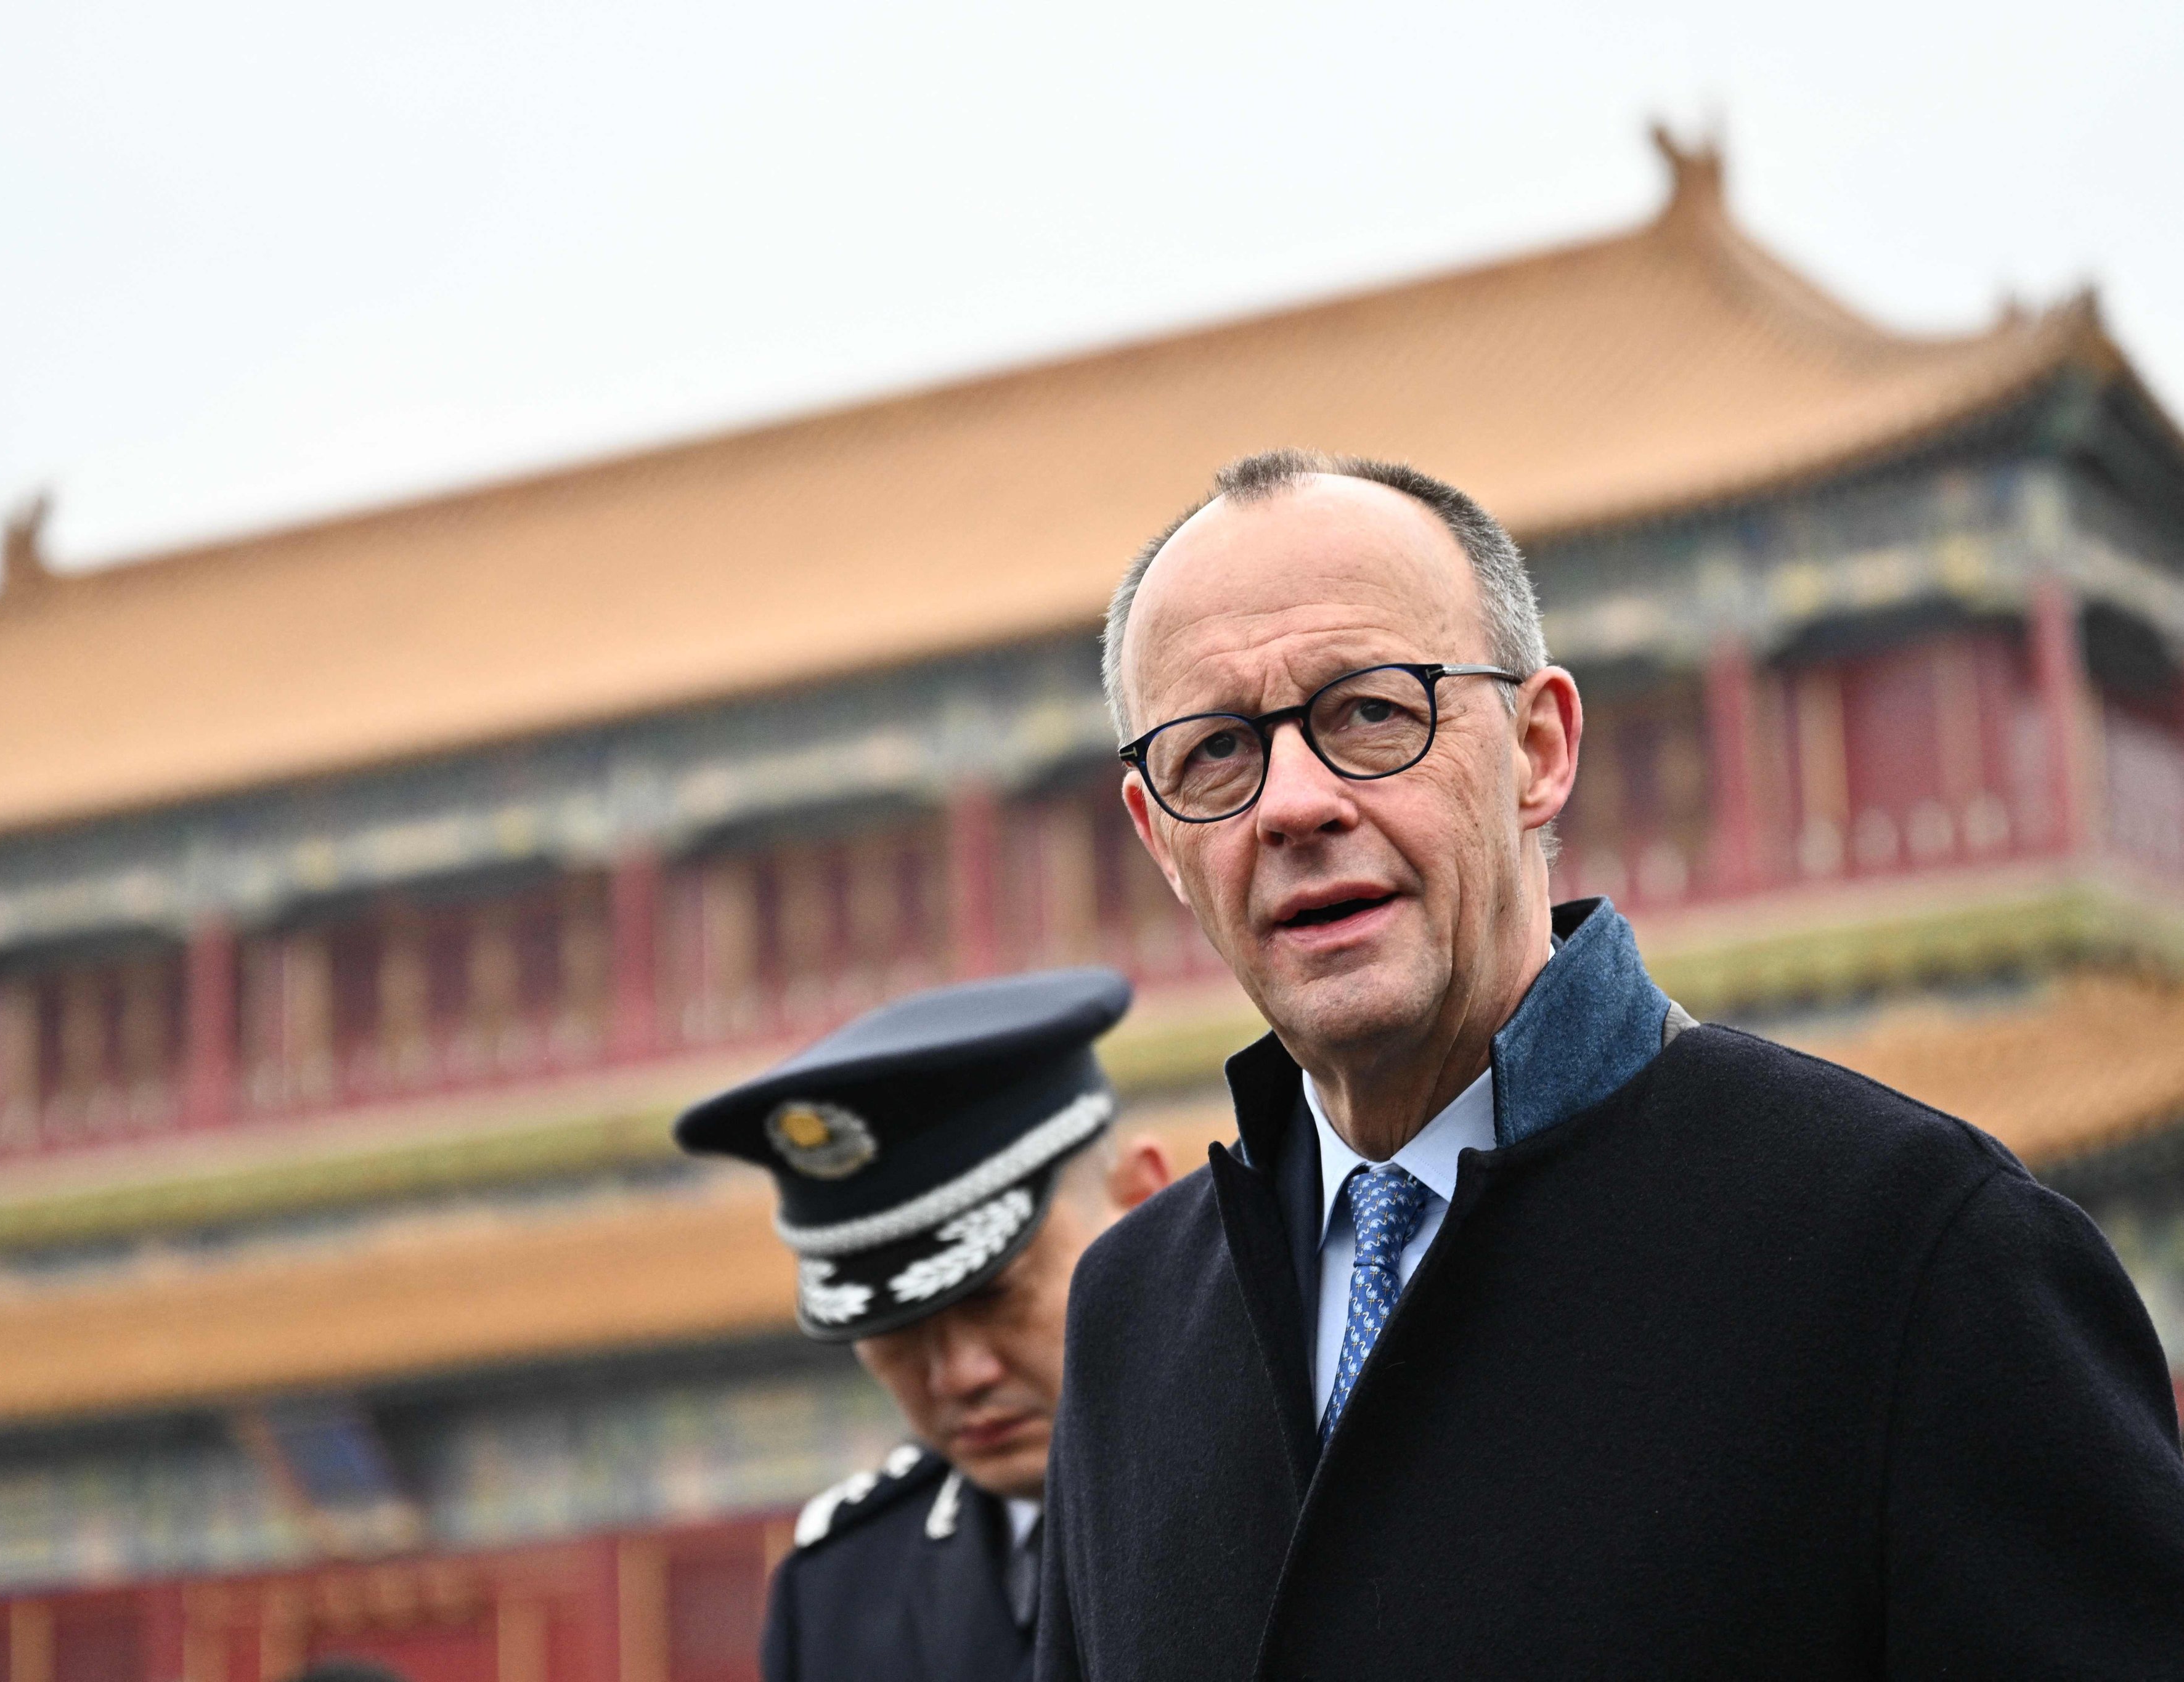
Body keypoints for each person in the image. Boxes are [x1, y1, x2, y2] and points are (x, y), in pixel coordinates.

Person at [1038, 449, 2184, 1679]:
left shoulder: (1907, 1246)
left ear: (1538, 749)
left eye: (1371, 713)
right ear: (1157, 838)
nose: (1293, 805)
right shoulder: (1131, 1320)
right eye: (1215, 752)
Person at [674, 967, 1170, 1682]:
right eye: (896, 1329)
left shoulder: (1295, 1484)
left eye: (997, 1298)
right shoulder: (840, 1598)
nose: (959, 1376)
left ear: (1140, 1200)